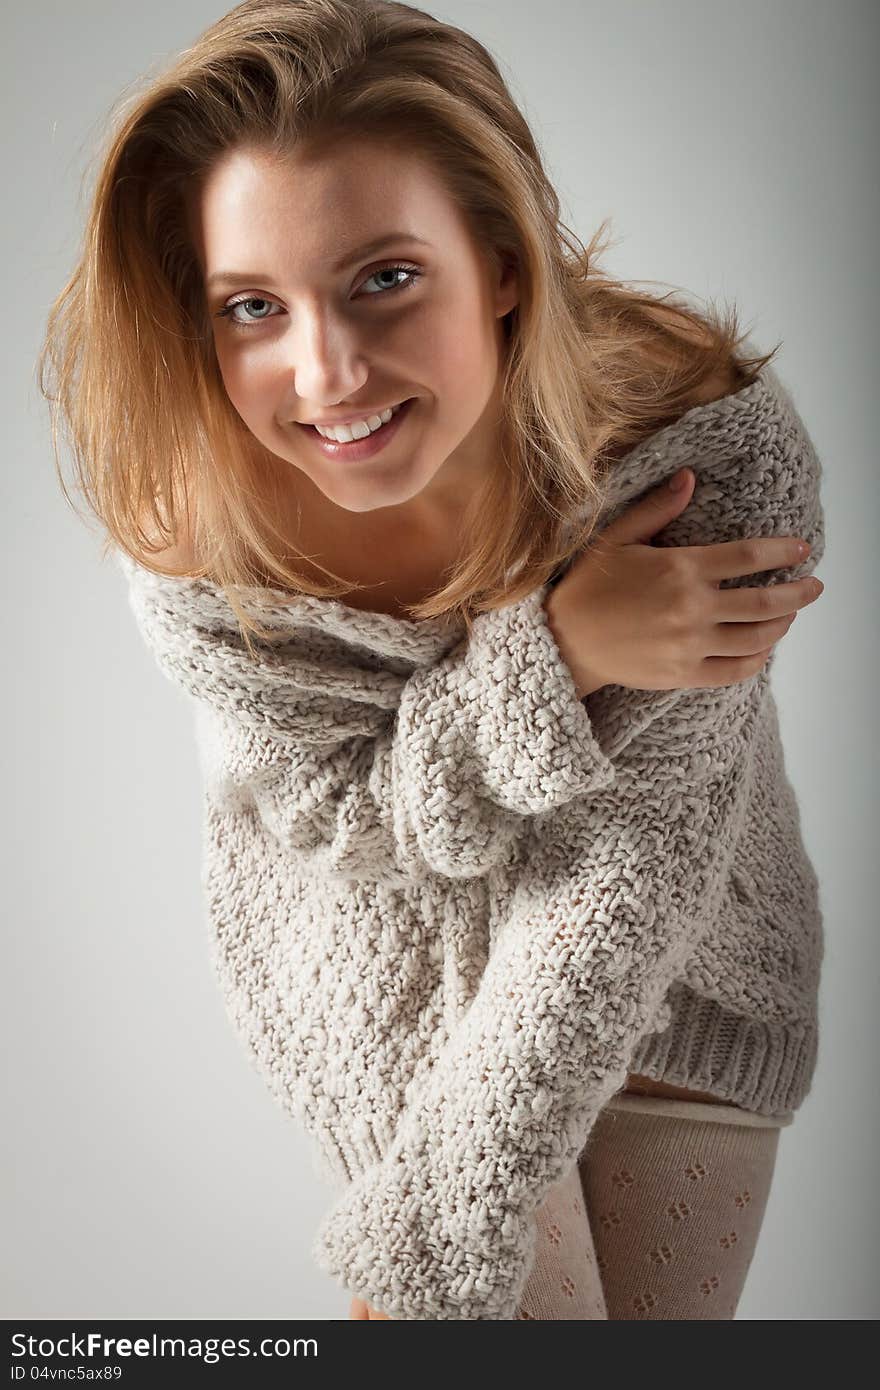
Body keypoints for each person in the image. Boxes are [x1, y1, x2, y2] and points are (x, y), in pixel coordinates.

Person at [38, 0, 826, 1320]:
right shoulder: (199, 537)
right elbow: (342, 819)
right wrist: (558, 648)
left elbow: (628, 868)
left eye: (385, 279)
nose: (327, 371)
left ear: (506, 260)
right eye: (251, 305)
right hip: (389, 1001)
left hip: (681, 982)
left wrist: (434, 1217)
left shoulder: (705, 447)